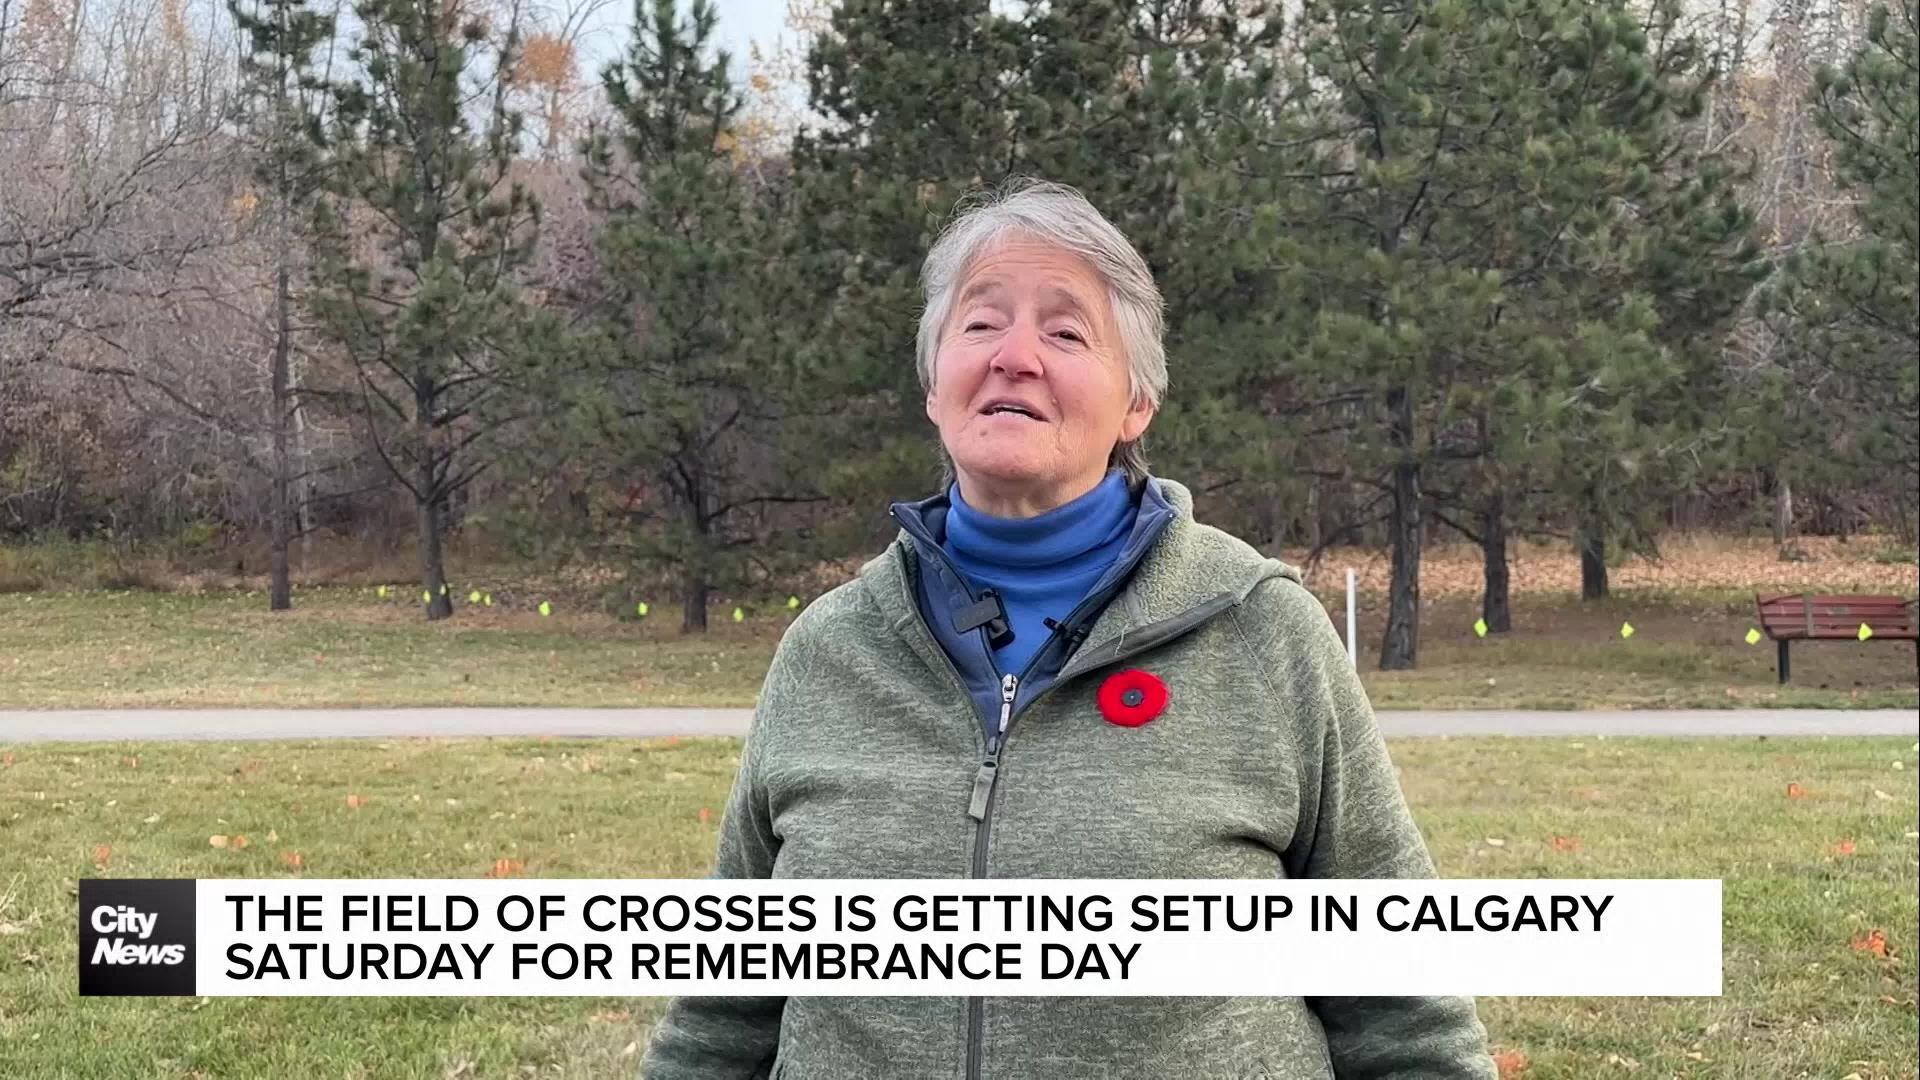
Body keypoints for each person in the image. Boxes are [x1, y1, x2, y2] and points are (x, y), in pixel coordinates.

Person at [642, 179, 1497, 1079]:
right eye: (980, 324)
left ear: (1137, 406)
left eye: (1065, 330)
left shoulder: (1264, 633)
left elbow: (1406, 1009)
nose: (1014, 355)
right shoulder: (827, 650)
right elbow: (723, 1009)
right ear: (936, 385)